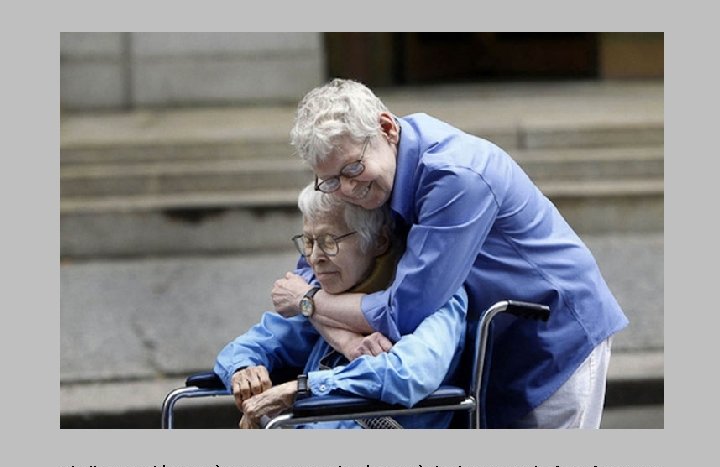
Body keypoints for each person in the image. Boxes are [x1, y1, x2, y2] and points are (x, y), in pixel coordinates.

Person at [271, 78, 629, 429]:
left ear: (386, 128)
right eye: (330, 181)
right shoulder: (364, 164)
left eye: (352, 169)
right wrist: (344, 336)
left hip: (556, 336)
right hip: (493, 345)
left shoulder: (456, 175)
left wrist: (310, 305)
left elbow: (405, 309)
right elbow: (312, 275)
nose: (346, 189)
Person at [214, 183, 468, 429]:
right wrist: (244, 370)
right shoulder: (329, 293)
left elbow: (410, 374)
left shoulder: (435, 294)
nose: (315, 258)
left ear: (379, 241)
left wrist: (302, 388)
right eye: (309, 242)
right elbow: (251, 344)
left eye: (328, 241)